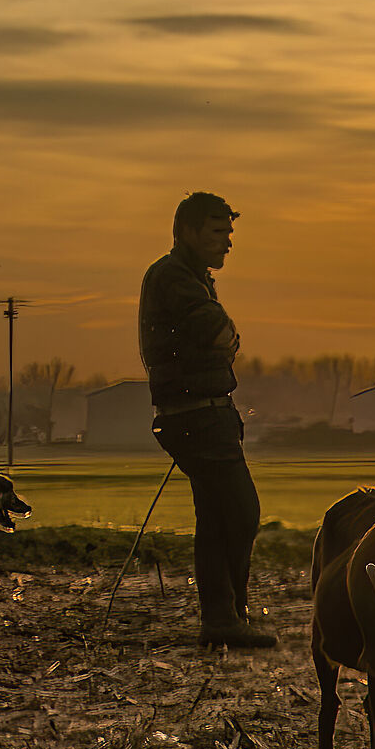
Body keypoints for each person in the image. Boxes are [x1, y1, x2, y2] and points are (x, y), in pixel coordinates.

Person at [138, 192, 275, 649]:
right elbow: (217, 331)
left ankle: (226, 616)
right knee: (239, 512)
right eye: (218, 232)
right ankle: (223, 618)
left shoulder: (188, 277)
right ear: (188, 232)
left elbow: (220, 333)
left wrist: (225, 335)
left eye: (229, 233)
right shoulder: (174, 277)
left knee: (219, 517)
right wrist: (227, 335)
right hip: (197, 417)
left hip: (202, 414)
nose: (228, 242)